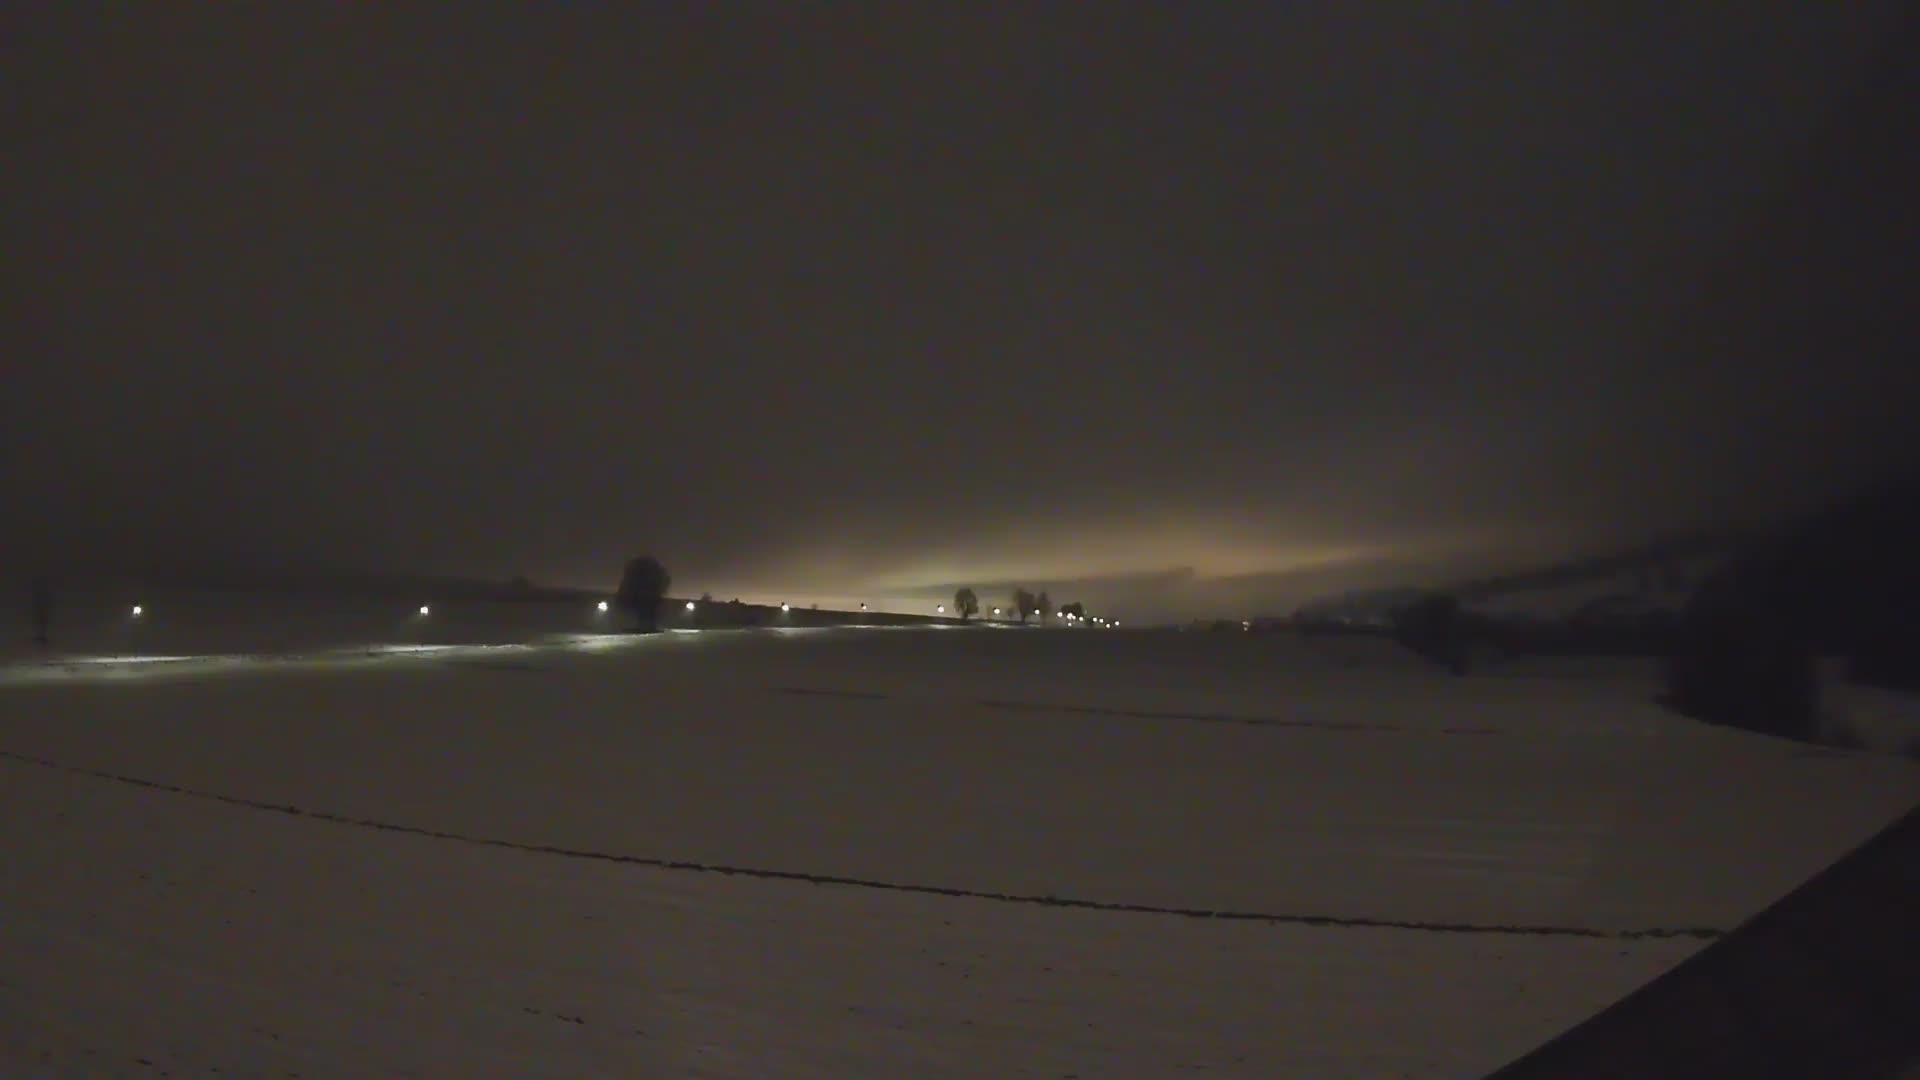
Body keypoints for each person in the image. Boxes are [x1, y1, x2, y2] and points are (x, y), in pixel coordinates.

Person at [31, 576, 52, 648]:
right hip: (42, 618)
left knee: (41, 619)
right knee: (42, 620)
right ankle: (41, 593)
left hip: (42, 618)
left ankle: (39, 593)